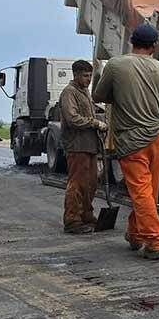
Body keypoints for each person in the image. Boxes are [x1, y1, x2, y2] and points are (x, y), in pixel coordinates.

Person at [93, 24, 159, 259]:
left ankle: (154, 241)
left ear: (131, 42)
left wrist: (119, 94)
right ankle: (135, 233)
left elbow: (98, 96)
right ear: (154, 46)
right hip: (157, 137)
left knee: (141, 193)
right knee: (149, 192)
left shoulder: (116, 65)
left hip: (130, 140)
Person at [59, 60, 108, 234]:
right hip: (77, 145)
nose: (88, 79)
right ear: (76, 75)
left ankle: (86, 214)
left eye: (89, 76)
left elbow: (91, 112)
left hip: (90, 145)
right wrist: (94, 123)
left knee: (91, 183)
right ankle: (72, 219)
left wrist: (101, 121)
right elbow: (72, 118)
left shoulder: (85, 92)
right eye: (85, 76)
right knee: (77, 184)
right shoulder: (69, 93)